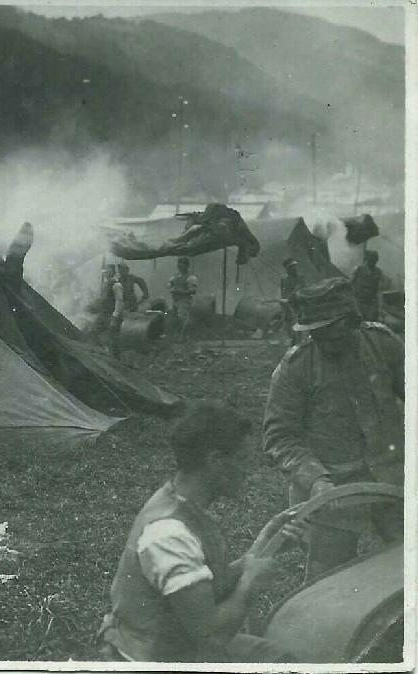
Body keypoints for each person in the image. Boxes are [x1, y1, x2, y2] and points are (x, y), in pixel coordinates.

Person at [98, 402, 303, 662]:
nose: (247, 471)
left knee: (280, 658)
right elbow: (211, 637)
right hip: (153, 659)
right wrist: (250, 584)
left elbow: (201, 590)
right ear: (215, 461)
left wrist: (262, 546)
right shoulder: (169, 534)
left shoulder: (181, 502)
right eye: (241, 459)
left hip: (178, 645)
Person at [263, 277, 404, 580]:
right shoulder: (295, 368)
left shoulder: (383, 344)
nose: (324, 342)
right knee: (326, 581)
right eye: (317, 334)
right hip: (332, 492)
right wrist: (315, 480)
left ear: (353, 321)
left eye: (332, 333)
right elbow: (280, 436)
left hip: (394, 481)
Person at [350, 250, 385, 322]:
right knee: (357, 321)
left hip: (370, 303)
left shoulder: (378, 272)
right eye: (370, 259)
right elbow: (350, 284)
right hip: (358, 301)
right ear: (366, 259)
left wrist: (380, 309)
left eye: (374, 259)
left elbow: (379, 291)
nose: (372, 261)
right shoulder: (358, 269)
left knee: (370, 322)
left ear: (376, 260)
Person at [168, 257, 198, 331]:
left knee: (182, 317)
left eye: (182, 265)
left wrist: (181, 292)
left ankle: (183, 335)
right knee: (175, 317)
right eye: (179, 264)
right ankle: (176, 334)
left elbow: (193, 291)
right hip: (176, 300)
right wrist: (171, 286)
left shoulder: (191, 277)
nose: (180, 266)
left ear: (187, 266)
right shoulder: (176, 275)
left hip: (184, 300)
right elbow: (169, 284)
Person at [279, 258, 301, 346]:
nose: (295, 269)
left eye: (295, 266)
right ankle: (292, 340)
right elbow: (283, 291)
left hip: (297, 303)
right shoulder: (284, 279)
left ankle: (298, 341)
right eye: (292, 267)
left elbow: (300, 288)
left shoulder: (300, 277)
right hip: (287, 304)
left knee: (297, 321)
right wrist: (283, 301)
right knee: (288, 322)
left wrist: (290, 298)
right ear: (288, 269)